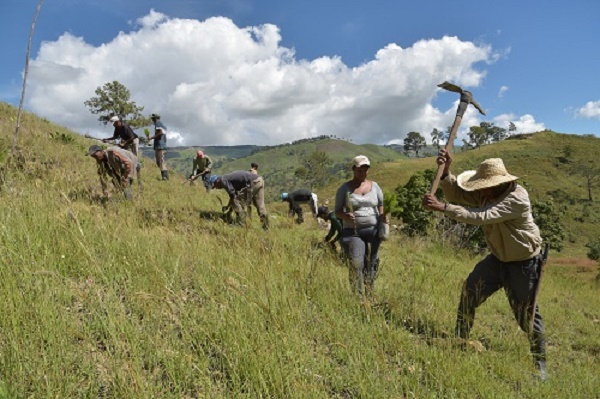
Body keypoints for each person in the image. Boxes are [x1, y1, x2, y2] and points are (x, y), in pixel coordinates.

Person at [422, 150, 547, 381]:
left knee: (527, 315)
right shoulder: (487, 193)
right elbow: (459, 195)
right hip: (497, 258)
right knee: (470, 291)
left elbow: (481, 216)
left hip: (523, 263)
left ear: (500, 183)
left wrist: (442, 208)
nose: (481, 190)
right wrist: (447, 172)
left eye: (485, 185)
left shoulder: (516, 198)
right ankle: (460, 338)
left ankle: (539, 365)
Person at [335, 155, 388, 297]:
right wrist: (345, 216)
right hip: (353, 232)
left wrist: (382, 218)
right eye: (360, 169)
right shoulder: (344, 189)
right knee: (357, 263)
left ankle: (370, 294)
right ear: (353, 169)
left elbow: (381, 204)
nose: (362, 172)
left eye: (365, 169)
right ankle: (357, 297)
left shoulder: (375, 186)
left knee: (371, 263)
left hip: (373, 231)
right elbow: (337, 211)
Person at [147, 113, 168, 180]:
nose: (152, 120)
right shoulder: (162, 125)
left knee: (161, 161)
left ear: (155, 118)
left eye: (152, 118)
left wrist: (151, 137)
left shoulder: (158, 123)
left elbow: (160, 133)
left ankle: (165, 177)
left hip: (160, 146)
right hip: (161, 145)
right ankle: (164, 176)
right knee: (159, 162)